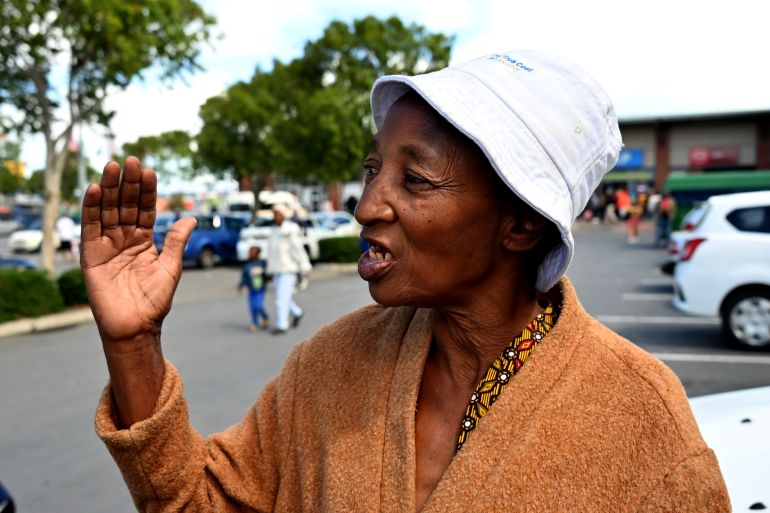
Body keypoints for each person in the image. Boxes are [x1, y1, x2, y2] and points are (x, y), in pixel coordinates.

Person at [83, 50, 729, 512]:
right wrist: (135, 346)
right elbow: (200, 501)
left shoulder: (642, 425)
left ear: (522, 226)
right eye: (372, 170)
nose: (367, 206)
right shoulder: (328, 366)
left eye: (415, 180)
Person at [266, 203, 312, 334]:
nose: (276, 217)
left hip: (289, 269)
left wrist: (305, 266)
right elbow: (270, 253)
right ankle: (297, 312)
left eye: (278, 214)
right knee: (283, 296)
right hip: (277, 270)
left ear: (284, 215)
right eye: (274, 214)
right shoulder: (273, 231)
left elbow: (298, 250)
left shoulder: (291, 230)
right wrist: (269, 271)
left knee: (281, 298)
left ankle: (282, 325)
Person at [238, 245, 270, 331]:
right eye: (250, 252)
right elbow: (244, 277)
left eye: (253, 252)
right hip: (251, 289)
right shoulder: (247, 265)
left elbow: (268, 273)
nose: (251, 254)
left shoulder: (263, 263)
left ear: (258, 253)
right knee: (252, 307)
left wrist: (269, 277)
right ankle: (254, 322)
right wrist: (240, 286)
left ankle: (265, 316)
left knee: (258, 306)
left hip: (260, 289)